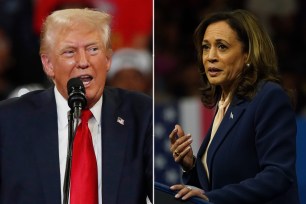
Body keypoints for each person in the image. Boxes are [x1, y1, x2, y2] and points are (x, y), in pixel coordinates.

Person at [0, 8, 152, 204]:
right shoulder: (8, 121)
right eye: (70, 51)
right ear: (48, 64)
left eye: (93, 49)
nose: (83, 61)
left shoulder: (141, 114)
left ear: (107, 59)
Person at [168, 9, 299, 204]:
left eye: (222, 46)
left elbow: (278, 175)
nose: (210, 56)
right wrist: (191, 166)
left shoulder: (268, 96)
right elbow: (215, 187)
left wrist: (212, 198)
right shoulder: (225, 103)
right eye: (205, 47)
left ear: (247, 54)